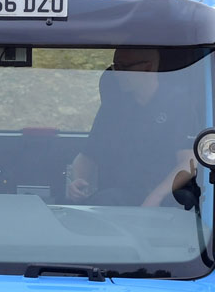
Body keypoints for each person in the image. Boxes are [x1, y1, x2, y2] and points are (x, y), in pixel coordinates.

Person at [65, 47, 200, 207]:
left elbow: (188, 163)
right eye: (115, 67)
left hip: (166, 201)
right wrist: (77, 181)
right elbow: (87, 156)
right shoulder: (113, 107)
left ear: (148, 68)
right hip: (115, 199)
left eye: (124, 67)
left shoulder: (178, 104)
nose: (116, 74)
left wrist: (156, 197)